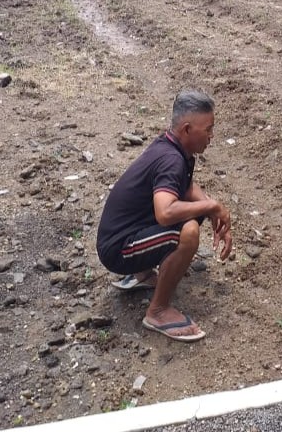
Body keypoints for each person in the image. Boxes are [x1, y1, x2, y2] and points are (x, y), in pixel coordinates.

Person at [96, 89, 233, 342]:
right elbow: (165, 212)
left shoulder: (171, 147)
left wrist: (212, 208)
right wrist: (212, 206)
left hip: (122, 237)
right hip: (118, 250)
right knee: (188, 232)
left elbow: (185, 187)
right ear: (187, 130)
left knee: (194, 213)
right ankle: (158, 311)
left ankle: (143, 273)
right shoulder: (171, 159)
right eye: (209, 129)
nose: (212, 136)